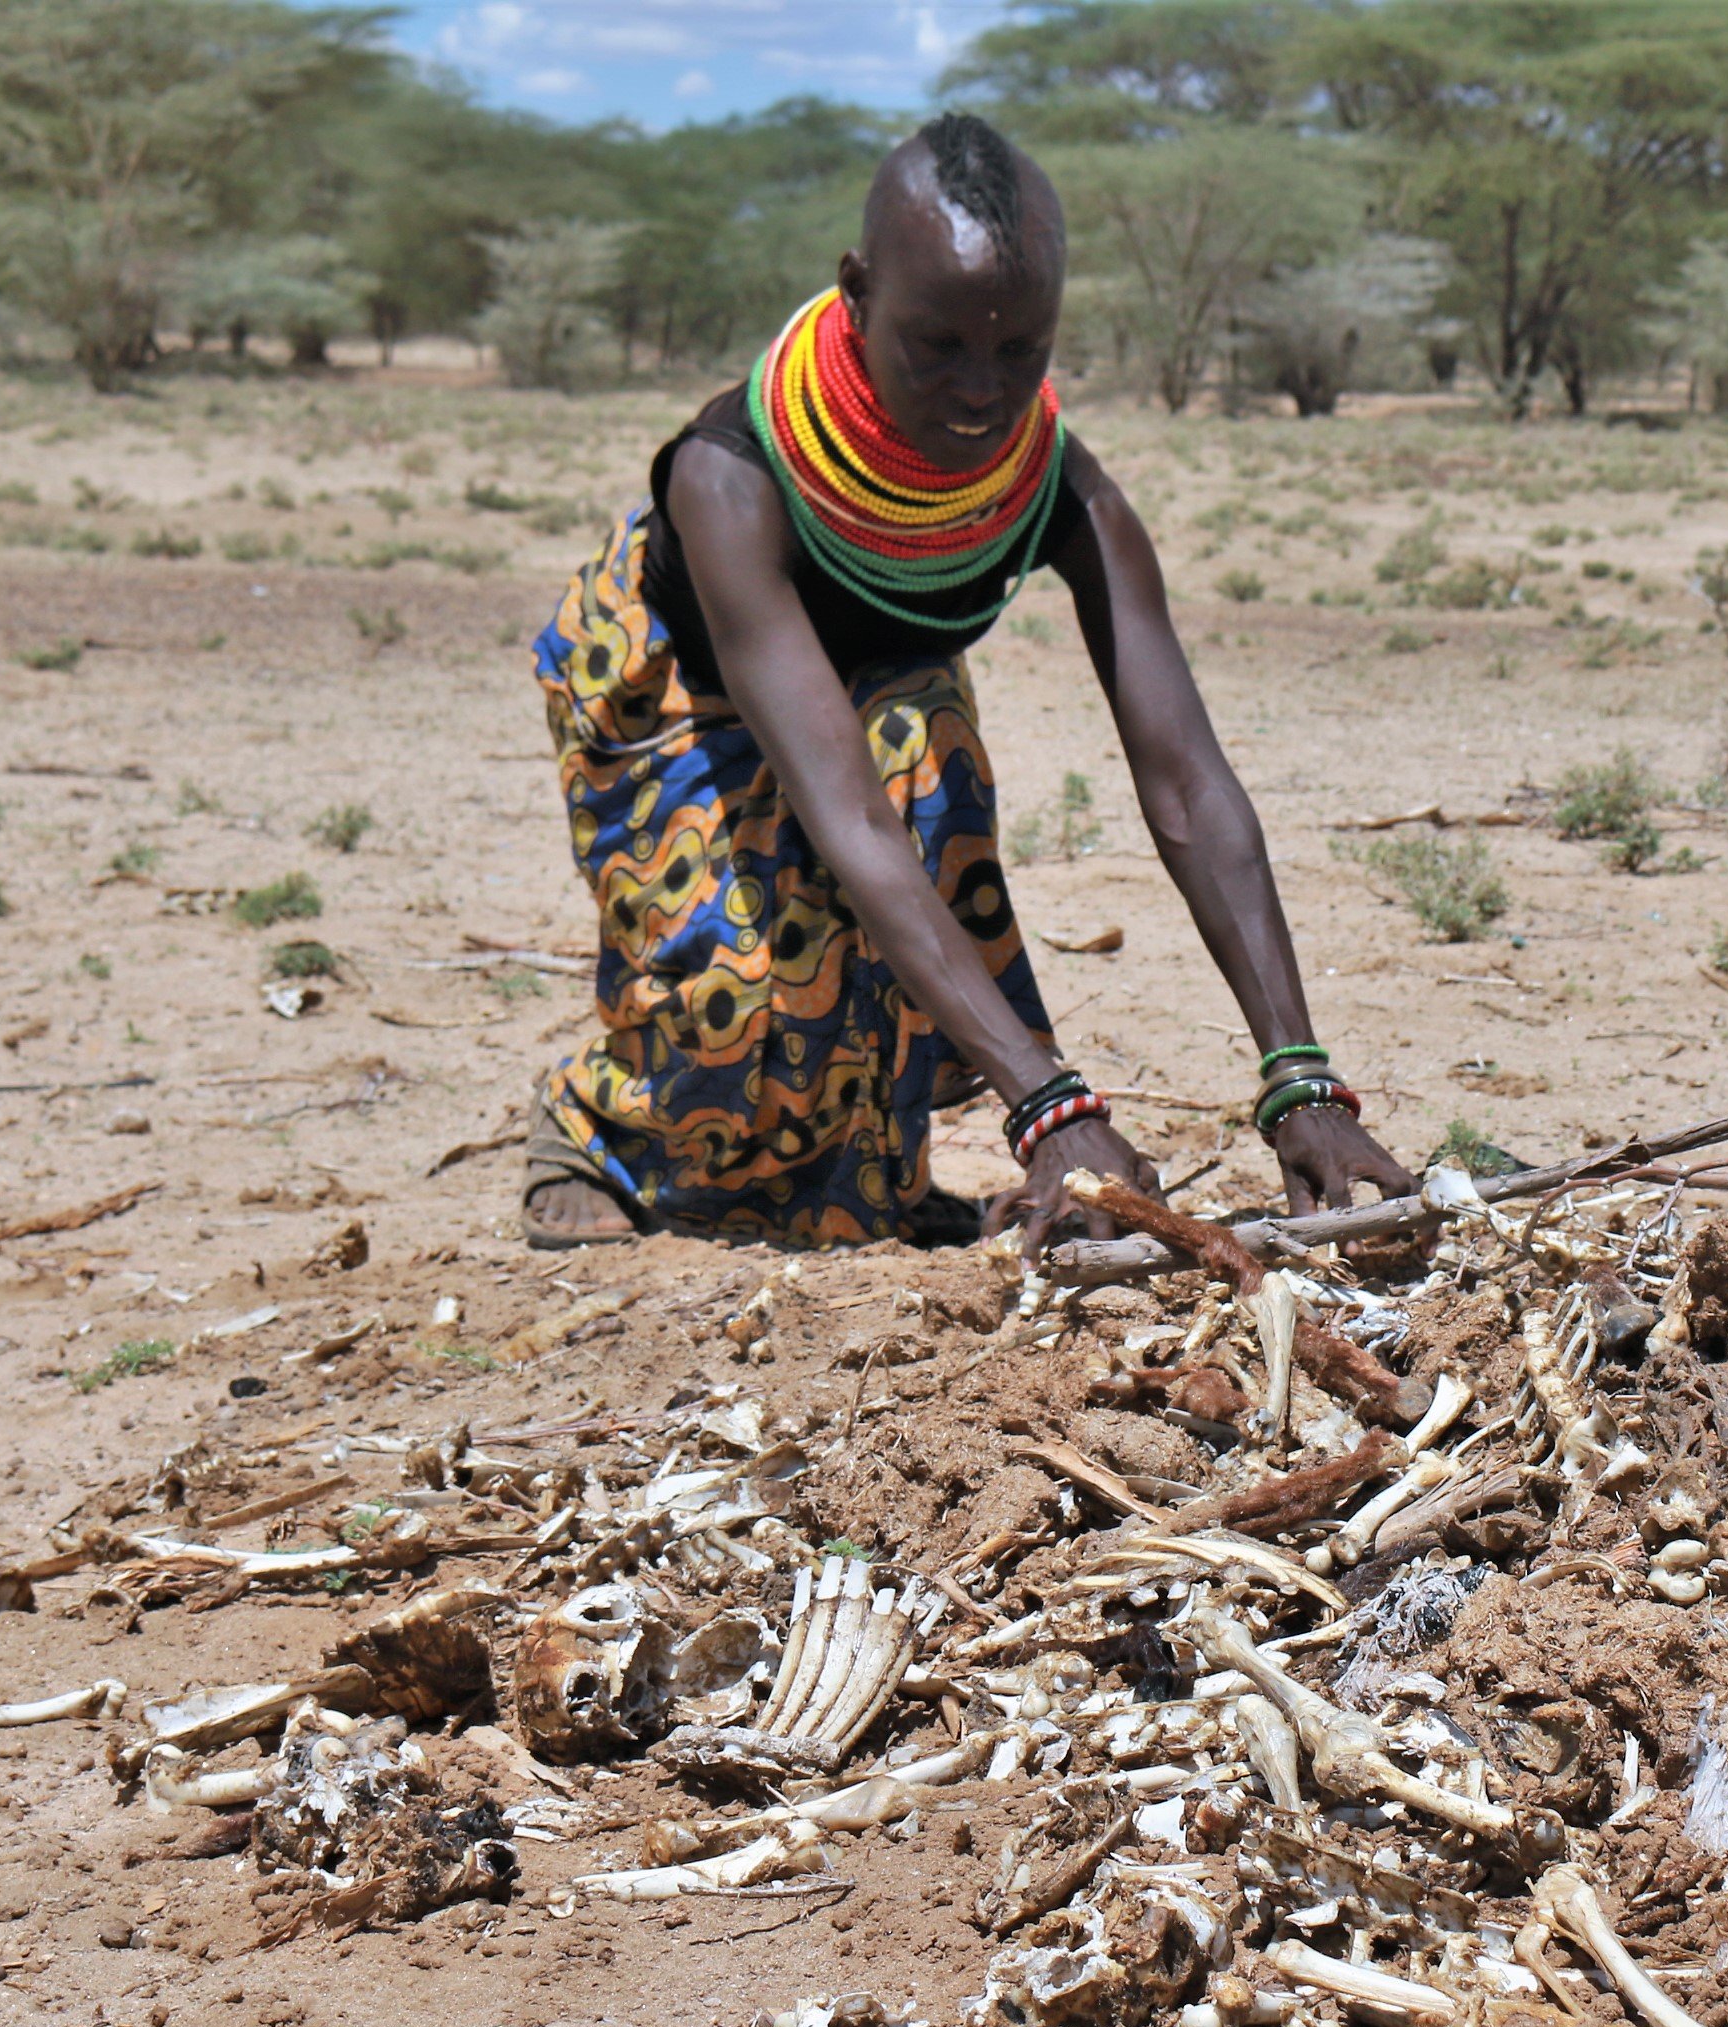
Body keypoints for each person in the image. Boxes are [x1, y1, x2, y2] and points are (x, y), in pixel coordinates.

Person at [520, 111, 1410, 1251]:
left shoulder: (1059, 492)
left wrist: (1302, 1079)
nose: (983, 392)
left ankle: (873, 1181)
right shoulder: (730, 479)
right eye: (938, 345)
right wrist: (1050, 1110)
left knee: (926, 762)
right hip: (673, 696)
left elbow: (1186, 780)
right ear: (855, 290)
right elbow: (842, 815)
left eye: (1019, 351)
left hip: (880, 708)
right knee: (740, 989)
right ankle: (589, 1124)